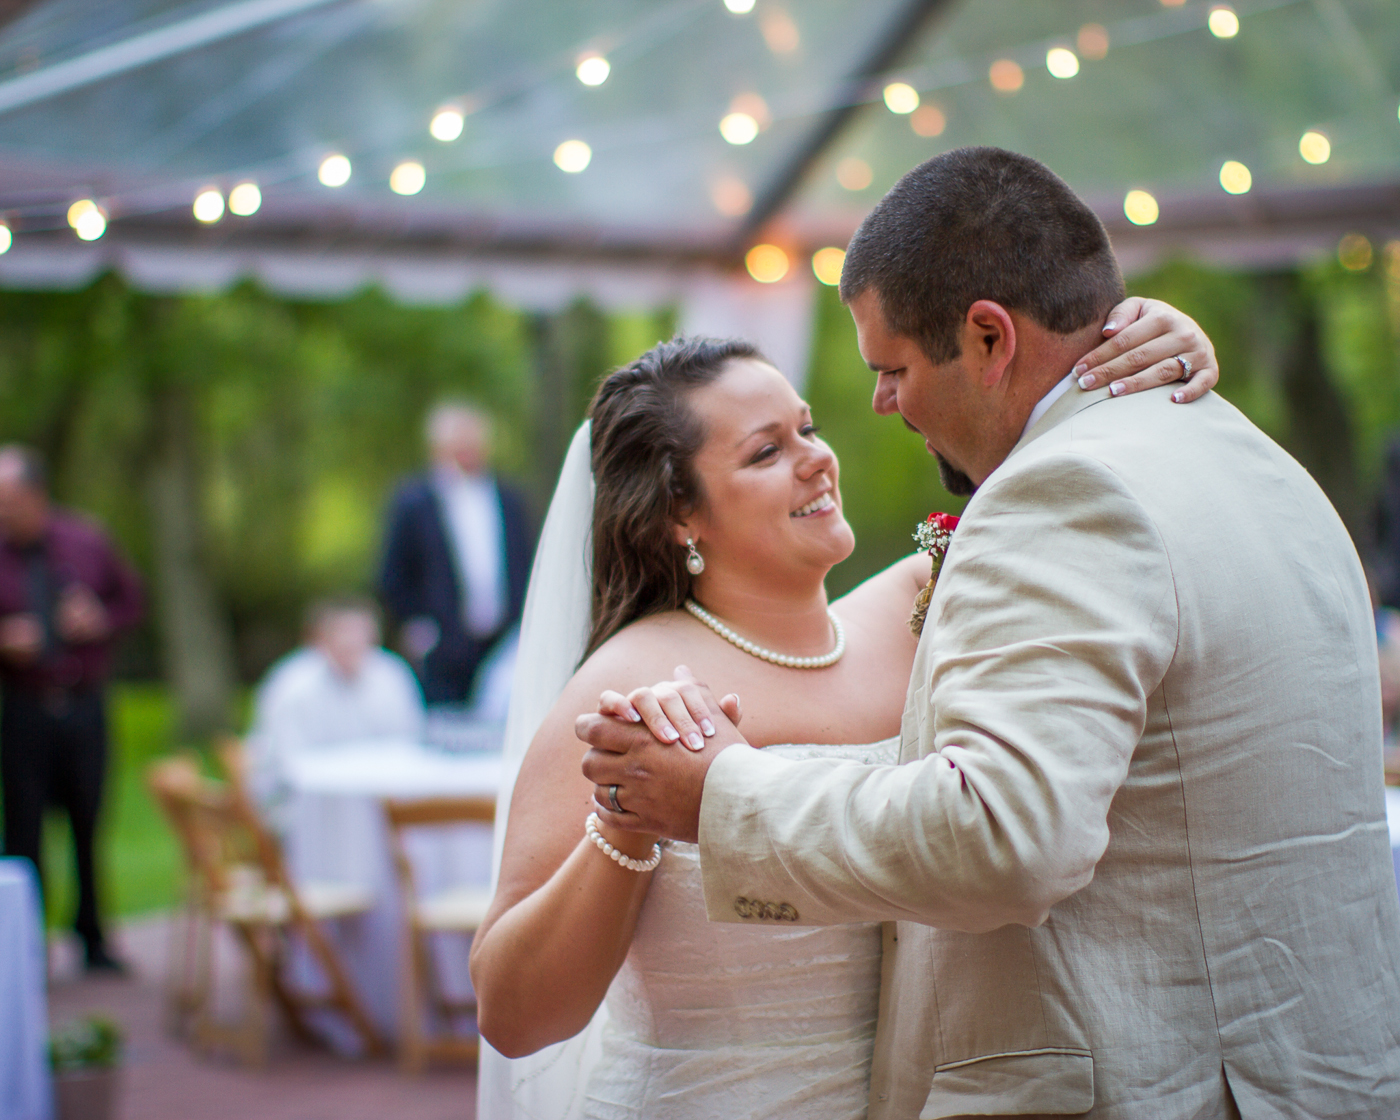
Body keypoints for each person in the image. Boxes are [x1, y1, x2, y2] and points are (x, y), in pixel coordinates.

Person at [579, 148, 1400, 1118]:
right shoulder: (1263, 467)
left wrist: (721, 790)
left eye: (891, 368)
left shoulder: (1059, 495)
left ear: (985, 337)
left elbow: (1005, 834)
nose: (878, 407)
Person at [470, 289, 1220, 1117]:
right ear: (680, 516)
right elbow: (512, 1013)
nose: (817, 459)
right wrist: (622, 828)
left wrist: (1151, 348)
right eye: (765, 453)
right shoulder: (629, 686)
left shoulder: (923, 603)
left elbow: (1075, 503)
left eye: (809, 429)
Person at [0, 445, 143, 973]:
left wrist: (99, 619)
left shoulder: (87, 540)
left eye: (9, 502)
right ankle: (24, 948)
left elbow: (133, 601)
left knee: (89, 822)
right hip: (24, 707)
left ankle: (94, 938)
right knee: (23, 830)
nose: (2, 514)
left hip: (84, 705)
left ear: (36, 496)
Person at [378, 402, 534, 705]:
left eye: (473, 443)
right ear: (438, 447)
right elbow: (393, 573)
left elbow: (524, 562)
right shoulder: (413, 501)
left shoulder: (509, 498)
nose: (467, 451)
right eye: (458, 444)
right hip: (443, 644)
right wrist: (419, 624)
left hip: (504, 643)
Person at [246, 596, 424, 819]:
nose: (351, 642)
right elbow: (282, 762)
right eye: (343, 633)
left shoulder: (391, 675)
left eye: (359, 634)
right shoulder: (293, 684)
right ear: (320, 638)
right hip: (302, 806)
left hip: (381, 798)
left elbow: (409, 740)